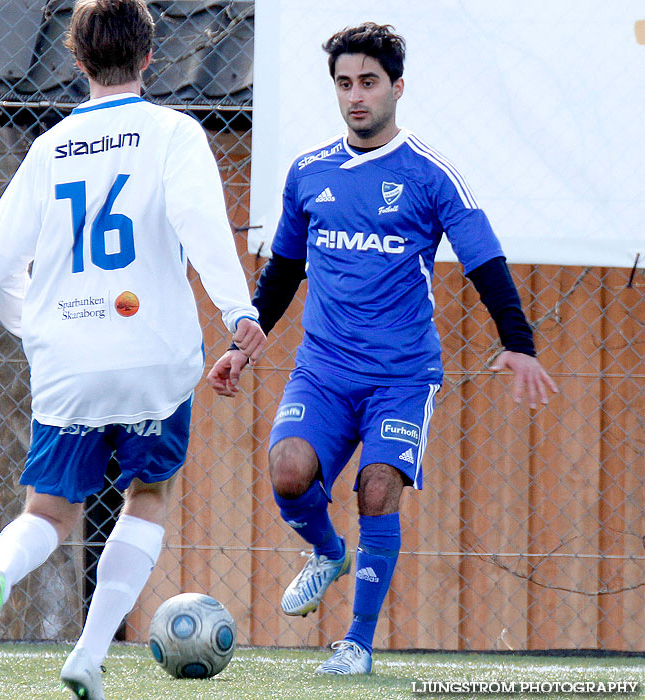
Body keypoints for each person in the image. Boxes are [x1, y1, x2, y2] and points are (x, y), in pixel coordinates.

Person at [208, 22, 557, 675]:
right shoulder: (309, 173)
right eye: (343, 84)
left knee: (376, 489)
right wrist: (241, 342)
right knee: (287, 470)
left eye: (368, 82)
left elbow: (484, 260)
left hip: (400, 376)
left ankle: (356, 644)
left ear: (397, 87)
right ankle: (326, 551)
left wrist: (518, 343)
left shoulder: (429, 175)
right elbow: (283, 270)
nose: (355, 96)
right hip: (323, 370)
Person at [0, 1, 265, 698]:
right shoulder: (173, 132)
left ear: (75, 60)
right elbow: (202, 224)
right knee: (146, 494)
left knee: (50, 513)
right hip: (153, 356)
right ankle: (88, 653)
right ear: (151, 58)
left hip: (69, 357)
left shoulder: (49, 146)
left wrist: (33, 327)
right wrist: (240, 311)